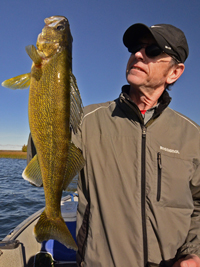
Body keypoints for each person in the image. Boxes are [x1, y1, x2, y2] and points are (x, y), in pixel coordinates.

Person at [27, 23, 200, 267]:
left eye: (152, 50)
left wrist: (194, 253)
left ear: (175, 72)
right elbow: (45, 176)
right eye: (134, 48)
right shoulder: (85, 122)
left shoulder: (194, 136)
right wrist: (47, 99)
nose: (138, 54)